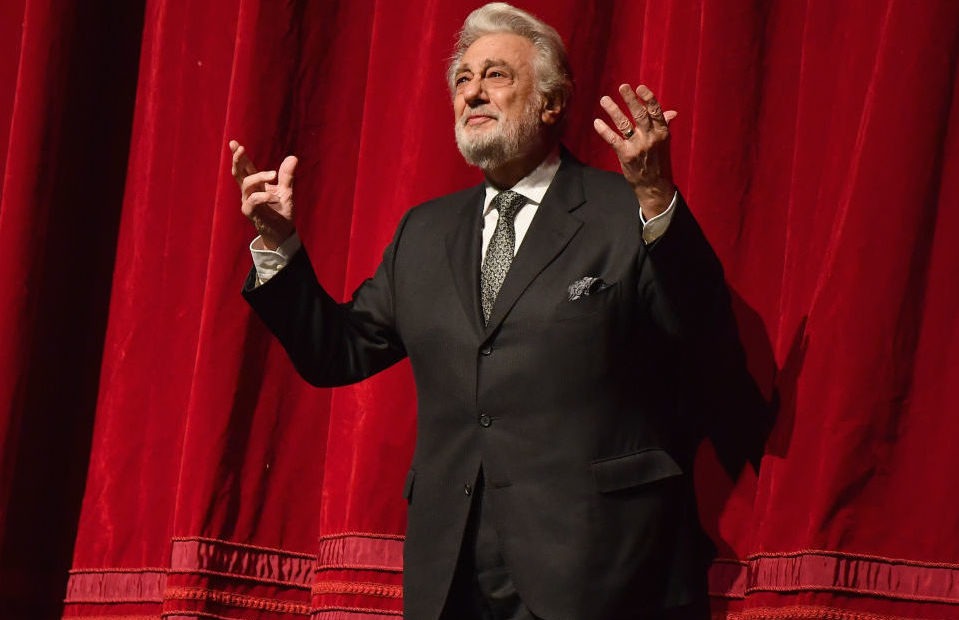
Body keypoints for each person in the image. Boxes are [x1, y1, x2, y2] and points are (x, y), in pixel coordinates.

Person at [230, 3, 766, 619]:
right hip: (455, 569)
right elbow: (337, 352)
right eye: (462, 79)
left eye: (496, 76)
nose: (473, 91)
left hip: (603, 567)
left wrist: (655, 196)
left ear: (551, 104)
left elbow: (703, 332)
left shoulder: (629, 212)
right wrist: (277, 246)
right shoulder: (423, 234)